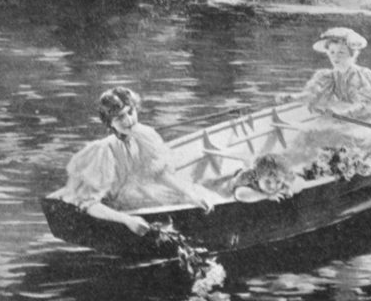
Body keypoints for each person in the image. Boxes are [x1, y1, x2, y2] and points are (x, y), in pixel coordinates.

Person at [51, 87, 217, 236]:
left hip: (138, 193)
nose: (128, 121)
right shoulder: (104, 150)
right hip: (114, 207)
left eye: (130, 112)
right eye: (119, 118)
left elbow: (159, 174)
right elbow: (89, 204)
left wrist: (190, 194)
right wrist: (127, 221)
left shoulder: (143, 135)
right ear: (110, 123)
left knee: (200, 194)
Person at [277, 27, 371, 166]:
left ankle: (334, 167)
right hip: (341, 118)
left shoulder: (361, 75)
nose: (335, 57)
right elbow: (313, 94)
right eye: (332, 52)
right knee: (310, 133)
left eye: (341, 52)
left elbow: (368, 105)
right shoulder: (328, 75)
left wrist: (342, 112)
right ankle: (300, 165)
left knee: (339, 138)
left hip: (368, 120)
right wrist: (292, 98)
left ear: (352, 55)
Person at [226, 153, 301, 203]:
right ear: (258, 178)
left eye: (278, 182)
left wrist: (289, 189)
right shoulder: (250, 182)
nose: (273, 186)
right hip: (230, 185)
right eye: (268, 182)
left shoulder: (281, 180)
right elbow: (239, 194)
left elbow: (298, 182)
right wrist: (267, 196)